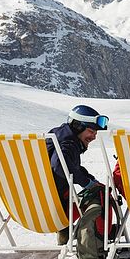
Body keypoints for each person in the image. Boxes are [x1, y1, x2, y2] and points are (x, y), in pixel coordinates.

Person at [47, 104, 110, 245]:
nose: (94, 137)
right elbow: (59, 166)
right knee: (99, 195)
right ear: (77, 127)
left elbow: (68, 164)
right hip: (56, 211)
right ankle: (94, 238)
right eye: (91, 131)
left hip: (29, 207)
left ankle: (65, 234)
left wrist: (88, 178)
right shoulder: (68, 143)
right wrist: (87, 183)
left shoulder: (56, 138)